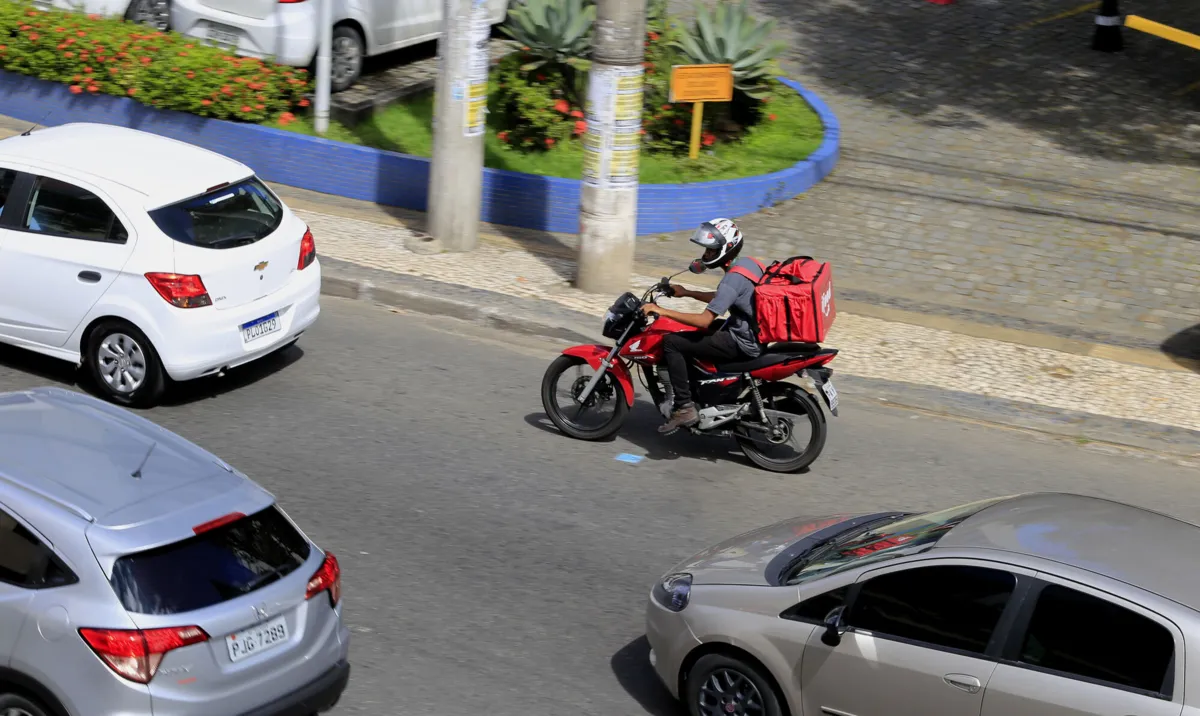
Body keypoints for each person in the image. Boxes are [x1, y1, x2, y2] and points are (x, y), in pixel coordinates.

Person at [643, 217, 764, 434]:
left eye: (710, 250)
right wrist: (686, 292)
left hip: (741, 341)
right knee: (693, 335)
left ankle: (685, 407)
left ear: (725, 249)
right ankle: (702, 388)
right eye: (706, 250)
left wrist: (661, 310)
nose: (705, 255)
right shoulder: (747, 264)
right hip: (749, 331)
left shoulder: (731, 279)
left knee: (673, 342)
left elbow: (704, 319)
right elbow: (723, 297)